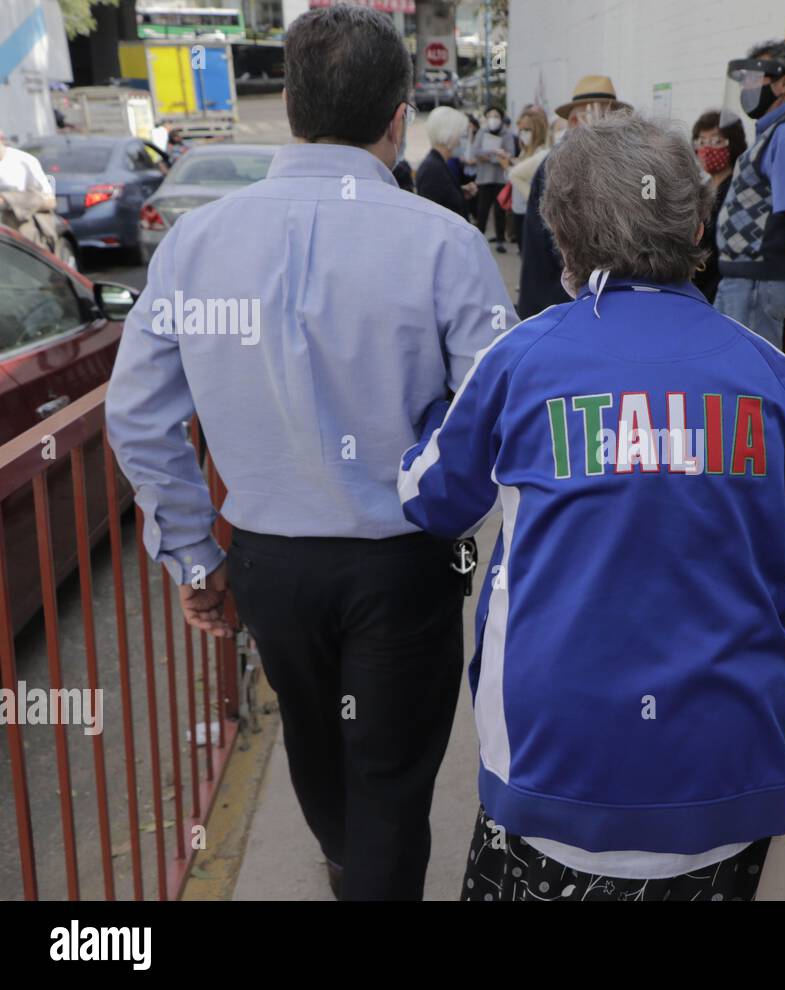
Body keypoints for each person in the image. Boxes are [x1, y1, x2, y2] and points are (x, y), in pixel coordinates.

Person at [398, 112, 785, 901]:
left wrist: (426, 428)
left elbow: (433, 500)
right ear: (696, 223)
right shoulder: (777, 379)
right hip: (730, 784)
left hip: (548, 773)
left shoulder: (518, 361)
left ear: (562, 236)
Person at [105, 5, 515, 901]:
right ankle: (368, 876)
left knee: (319, 752)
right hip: (401, 565)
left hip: (270, 565)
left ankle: (348, 869)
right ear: (398, 115)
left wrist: (192, 556)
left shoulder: (195, 246)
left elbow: (137, 415)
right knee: (392, 782)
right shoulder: (443, 243)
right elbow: (498, 413)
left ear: (290, 101)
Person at [714, 40, 785, 348]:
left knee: (747, 377)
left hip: (758, 285)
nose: (747, 88)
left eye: (754, 78)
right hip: (748, 282)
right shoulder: (775, 131)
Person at [516, 75, 629, 318]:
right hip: (560, 303)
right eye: (601, 117)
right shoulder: (561, 167)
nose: (610, 129)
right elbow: (567, 247)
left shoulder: (607, 166)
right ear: (576, 121)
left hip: (586, 303)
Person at [690, 110, 747, 303]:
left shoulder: (737, 190)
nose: (707, 149)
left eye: (716, 142)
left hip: (720, 288)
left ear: (733, 144)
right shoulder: (703, 188)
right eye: (701, 142)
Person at [416, 106, 477, 218]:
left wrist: (459, 192)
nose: (462, 141)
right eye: (462, 135)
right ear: (449, 135)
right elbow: (431, 217)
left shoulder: (439, 163)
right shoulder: (432, 169)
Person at [469, 105, 516, 252]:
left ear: (501, 118)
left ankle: (500, 240)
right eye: (490, 116)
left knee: (499, 211)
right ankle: (478, 238)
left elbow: (510, 154)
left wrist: (489, 157)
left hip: (500, 179)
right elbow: (475, 151)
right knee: (482, 209)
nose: (493, 119)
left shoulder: (507, 134)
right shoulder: (482, 132)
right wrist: (494, 154)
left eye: (496, 116)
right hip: (484, 178)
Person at [504, 106, 550, 254]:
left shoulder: (541, 154)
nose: (523, 133)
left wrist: (509, 168)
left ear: (537, 130)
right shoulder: (524, 151)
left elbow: (536, 189)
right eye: (521, 130)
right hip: (518, 210)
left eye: (527, 129)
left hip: (531, 213)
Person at [0, 130, 55, 204]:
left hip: (17, 214)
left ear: (1, 138)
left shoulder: (23, 160)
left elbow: (49, 199)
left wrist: (8, 200)